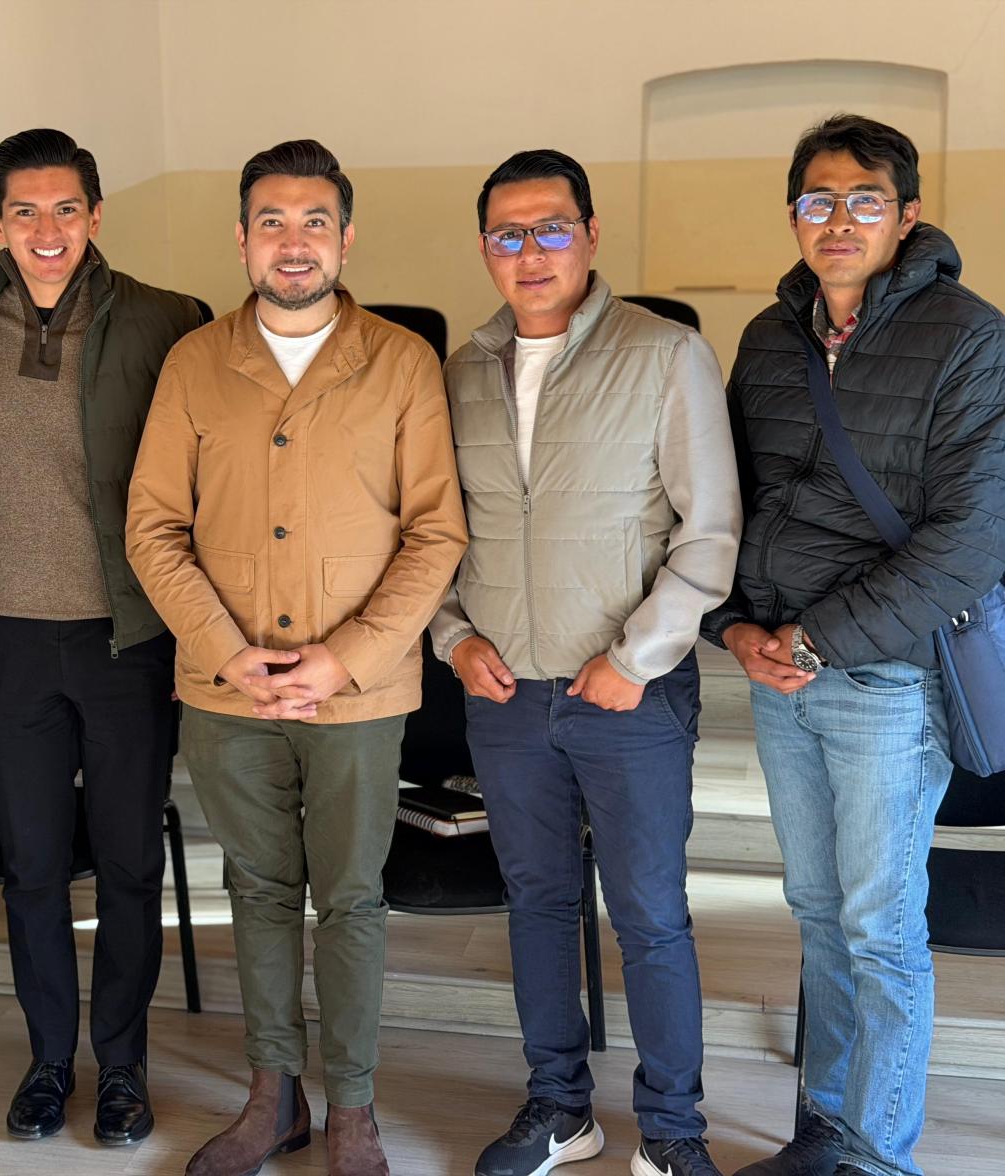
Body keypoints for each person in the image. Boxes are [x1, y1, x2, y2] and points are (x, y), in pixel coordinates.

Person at [127, 139, 468, 1176]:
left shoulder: (400, 362)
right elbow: (152, 526)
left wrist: (346, 658)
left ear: (345, 238)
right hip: (223, 689)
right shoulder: (194, 362)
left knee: (349, 897)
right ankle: (270, 1096)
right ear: (242, 239)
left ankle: (352, 1107)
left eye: (313, 221)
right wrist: (225, 653)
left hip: (355, 694)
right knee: (259, 889)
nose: (292, 241)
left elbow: (436, 533)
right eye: (271, 221)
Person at [428, 148, 741, 1176]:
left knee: (649, 916)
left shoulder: (664, 353)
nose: (531, 252)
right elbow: (433, 533)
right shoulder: (460, 371)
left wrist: (637, 657)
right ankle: (560, 1108)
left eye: (551, 227)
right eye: (507, 234)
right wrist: (454, 637)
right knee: (536, 906)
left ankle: (672, 1131)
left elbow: (710, 530)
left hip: (628, 694)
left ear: (591, 234)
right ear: (485, 248)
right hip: (506, 694)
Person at [704, 115, 1005, 1176]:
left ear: (906, 215)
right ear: (793, 214)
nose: (837, 220)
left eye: (863, 200)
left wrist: (813, 638)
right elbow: (727, 500)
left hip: (885, 679)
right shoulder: (766, 339)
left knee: (879, 928)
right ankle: (825, 1135)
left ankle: (879, 1158)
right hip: (779, 675)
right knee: (818, 914)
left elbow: (970, 541)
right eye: (816, 200)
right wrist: (733, 626)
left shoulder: (969, 336)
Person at [0, 128, 203, 1145]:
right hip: (4, 641)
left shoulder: (167, 319)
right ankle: (47, 1060)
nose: (47, 230)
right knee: (31, 867)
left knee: (127, 864)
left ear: (95, 215)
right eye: (25, 212)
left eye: (66, 209)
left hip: (129, 638)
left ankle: (121, 1066)